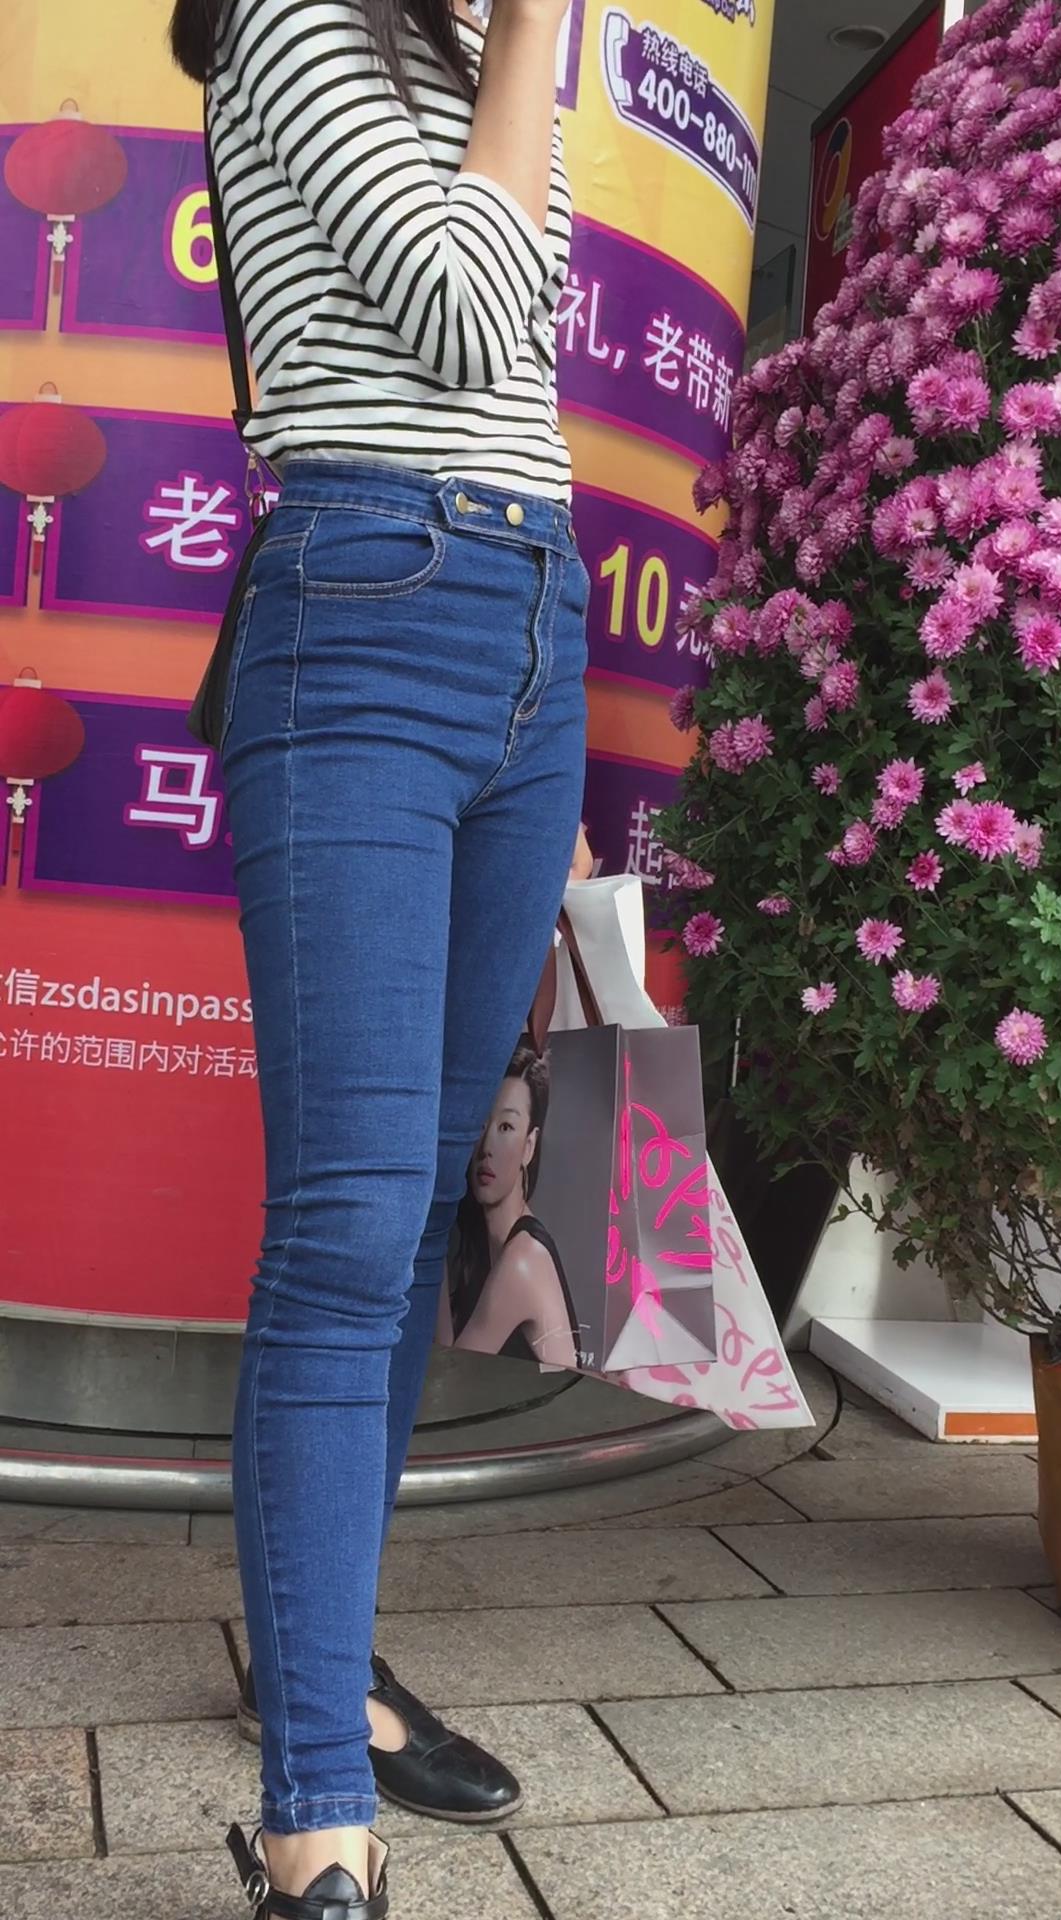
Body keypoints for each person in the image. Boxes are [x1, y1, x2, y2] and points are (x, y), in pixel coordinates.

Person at [169, 0, 586, 1913]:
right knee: (344, 1224)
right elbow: (460, 309)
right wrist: (538, 28)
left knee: (417, 1211)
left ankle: (321, 1667)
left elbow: (520, 370)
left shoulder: (469, 40)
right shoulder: (291, 14)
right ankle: (314, 1820)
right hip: (365, 601)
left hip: (532, 625)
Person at [443, 1044, 584, 1367]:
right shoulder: (484, 1246)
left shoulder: (523, 1259)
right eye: (480, 1125)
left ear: (529, 1146)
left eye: (506, 1127)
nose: (487, 1147)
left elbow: (448, 1375)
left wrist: (431, 1236)